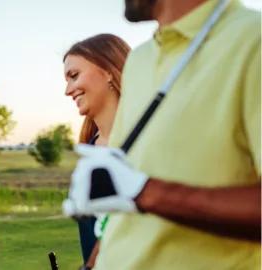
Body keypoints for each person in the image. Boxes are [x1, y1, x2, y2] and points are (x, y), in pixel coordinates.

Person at [65, 0, 260, 269]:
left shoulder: (253, 40)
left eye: (73, 75)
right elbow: (119, 216)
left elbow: (136, 190)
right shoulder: (140, 59)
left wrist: (145, 192)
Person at [63, 34, 130, 269]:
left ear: (108, 71)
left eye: (74, 76)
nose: (68, 90)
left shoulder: (148, 142)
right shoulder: (88, 150)